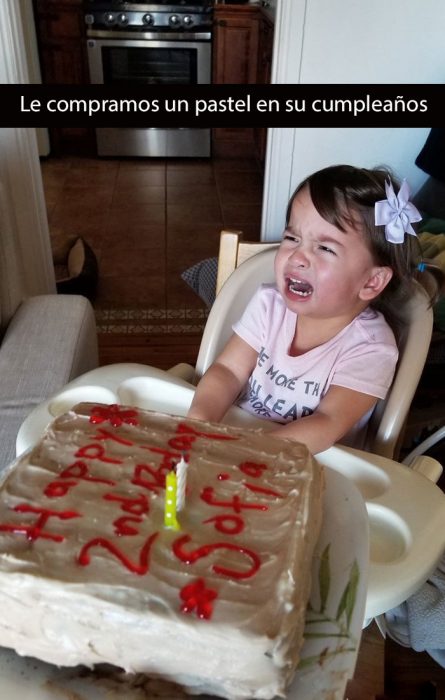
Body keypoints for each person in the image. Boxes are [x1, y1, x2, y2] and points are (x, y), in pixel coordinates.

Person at [187, 164, 435, 454]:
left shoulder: (372, 348)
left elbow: (328, 421)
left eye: (325, 248)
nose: (297, 256)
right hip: (237, 438)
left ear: (371, 281)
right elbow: (228, 370)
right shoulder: (269, 305)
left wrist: (255, 453)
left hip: (312, 462)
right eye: (292, 238)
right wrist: (200, 421)